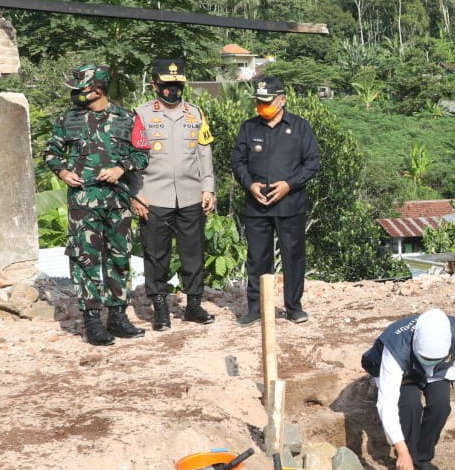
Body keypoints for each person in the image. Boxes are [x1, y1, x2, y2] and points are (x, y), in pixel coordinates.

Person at [44, 64, 149, 346]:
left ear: (98, 89)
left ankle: (117, 317)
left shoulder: (128, 118)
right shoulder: (69, 119)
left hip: (118, 201)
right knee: (85, 258)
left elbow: (142, 155)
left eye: (83, 89)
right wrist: (63, 172)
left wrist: (120, 168)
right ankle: (92, 321)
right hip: (83, 202)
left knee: (119, 258)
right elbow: (50, 151)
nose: (78, 94)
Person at [131, 58, 216, 331]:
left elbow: (204, 153)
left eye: (178, 84)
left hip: (191, 195)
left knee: (193, 252)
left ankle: (193, 305)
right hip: (154, 196)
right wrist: (137, 194)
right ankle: (160, 308)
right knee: (156, 255)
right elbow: (133, 158)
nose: (173, 89)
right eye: (167, 85)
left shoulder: (195, 113)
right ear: (155, 85)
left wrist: (209, 188)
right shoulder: (142, 115)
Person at [231, 76, 320, 326]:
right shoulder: (249, 128)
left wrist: (289, 185)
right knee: (258, 257)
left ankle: (293, 307)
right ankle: (256, 308)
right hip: (256, 204)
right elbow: (237, 162)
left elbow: (312, 162)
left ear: (282, 100)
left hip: (290, 204)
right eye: (259, 102)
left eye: (267, 101)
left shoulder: (300, 127)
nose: (262, 106)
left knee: (294, 256)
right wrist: (250, 184)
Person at [361, 308, 455, 470]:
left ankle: (422, 458)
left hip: (438, 372)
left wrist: (428, 377)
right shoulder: (395, 349)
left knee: (440, 405)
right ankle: (405, 463)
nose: (429, 362)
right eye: (426, 358)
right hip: (404, 370)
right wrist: (401, 450)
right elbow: (387, 404)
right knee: (409, 405)